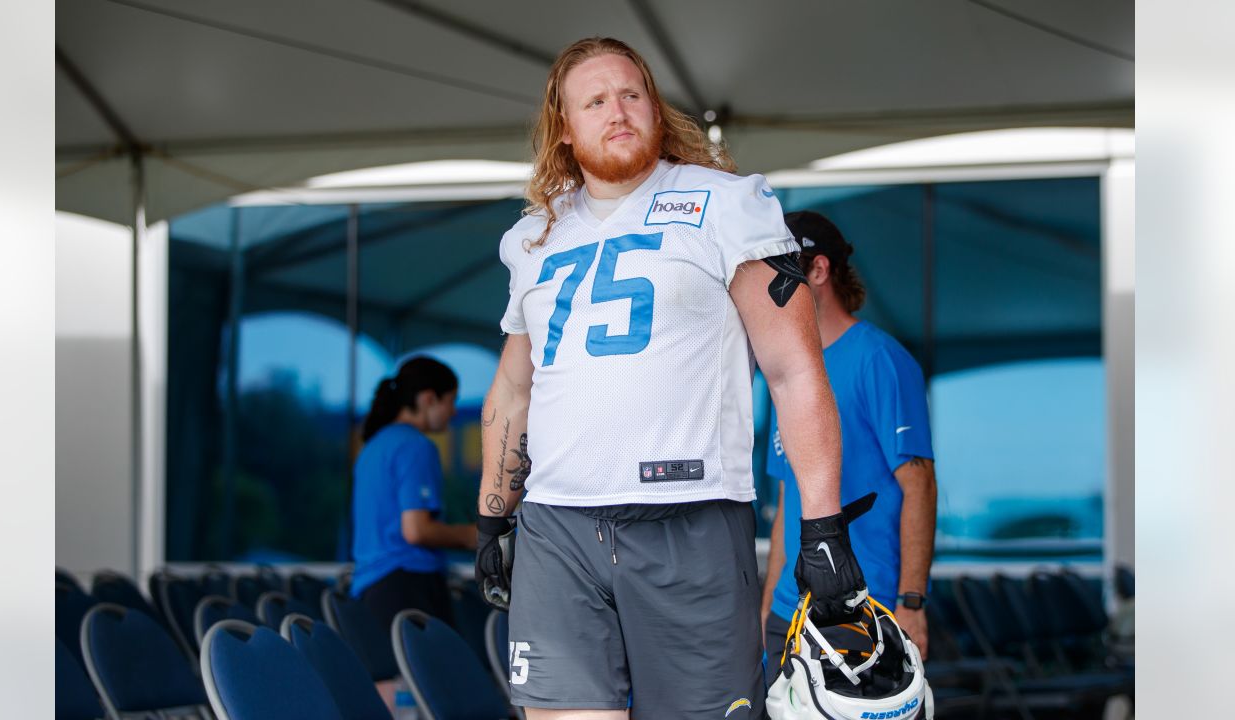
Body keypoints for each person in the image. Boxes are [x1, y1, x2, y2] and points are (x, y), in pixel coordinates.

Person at [473, 37, 869, 719]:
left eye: (632, 94)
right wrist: (491, 520)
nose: (617, 110)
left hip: (692, 518)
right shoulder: (531, 237)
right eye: (594, 101)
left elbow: (794, 369)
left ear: (655, 109)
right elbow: (514, 388)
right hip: (556, 530)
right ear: (565, 128)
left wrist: (823, 525)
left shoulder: (729, 203)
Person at [761, 211, 938, 663]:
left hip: (867, 611)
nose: (767, 286)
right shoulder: (785, 371)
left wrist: (913, 602)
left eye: (781, 269)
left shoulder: (879, 359)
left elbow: (919, 485)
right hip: (790, 613)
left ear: (818, 270)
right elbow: (788, 499)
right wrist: (767, 608)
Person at [350, 357, 475, 635]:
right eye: (451, 401)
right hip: (407, 585)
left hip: (373, 588)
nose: (454, 412)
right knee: (439, 678)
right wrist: (475, 536)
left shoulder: (372, 447)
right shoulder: (416, 446)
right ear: (429, 399)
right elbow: (416, 531)